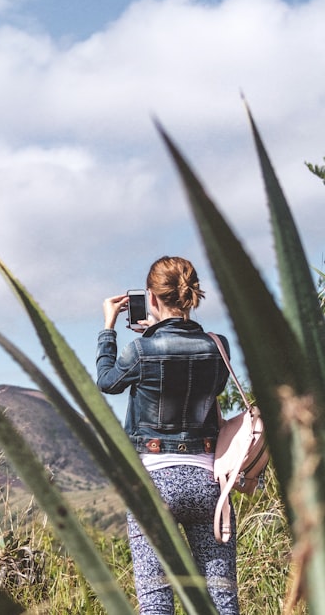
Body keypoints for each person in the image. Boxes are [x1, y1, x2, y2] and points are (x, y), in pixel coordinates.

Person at [96, 256, 238, 614]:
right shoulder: (218, 346)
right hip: (209, 484)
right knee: (222, 599)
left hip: (154, 483)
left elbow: (108, 382)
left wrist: (108, 329)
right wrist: (158, 334)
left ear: (152, 299)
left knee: (155, 600)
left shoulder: (141, 351)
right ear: (190, 296)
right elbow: (206, 382)